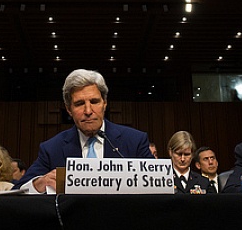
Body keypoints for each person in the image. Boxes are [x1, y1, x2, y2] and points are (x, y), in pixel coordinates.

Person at [14, 69, 154, 193]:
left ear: (104, 103)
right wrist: (39, 183)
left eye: (94, 102)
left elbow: (158, 186)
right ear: (69, 109)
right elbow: (17, 191)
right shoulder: (52, 148)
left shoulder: (135, 141)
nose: (88, 111)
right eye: (79, 104)